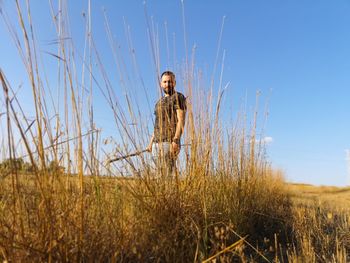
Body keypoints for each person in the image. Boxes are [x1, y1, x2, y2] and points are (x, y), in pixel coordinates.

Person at [147, 71, 186, 177]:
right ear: (161, 83)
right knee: (157, 177)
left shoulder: (178, 97)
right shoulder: (159, 102)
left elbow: (181, 121)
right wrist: (151, 143)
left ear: (174, 83)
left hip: (169, 142)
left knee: (167, 177)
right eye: (165, 82)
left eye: (170, 81)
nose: (167, 84)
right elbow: (157, 124)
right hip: (156, 144)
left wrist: (176, 140)